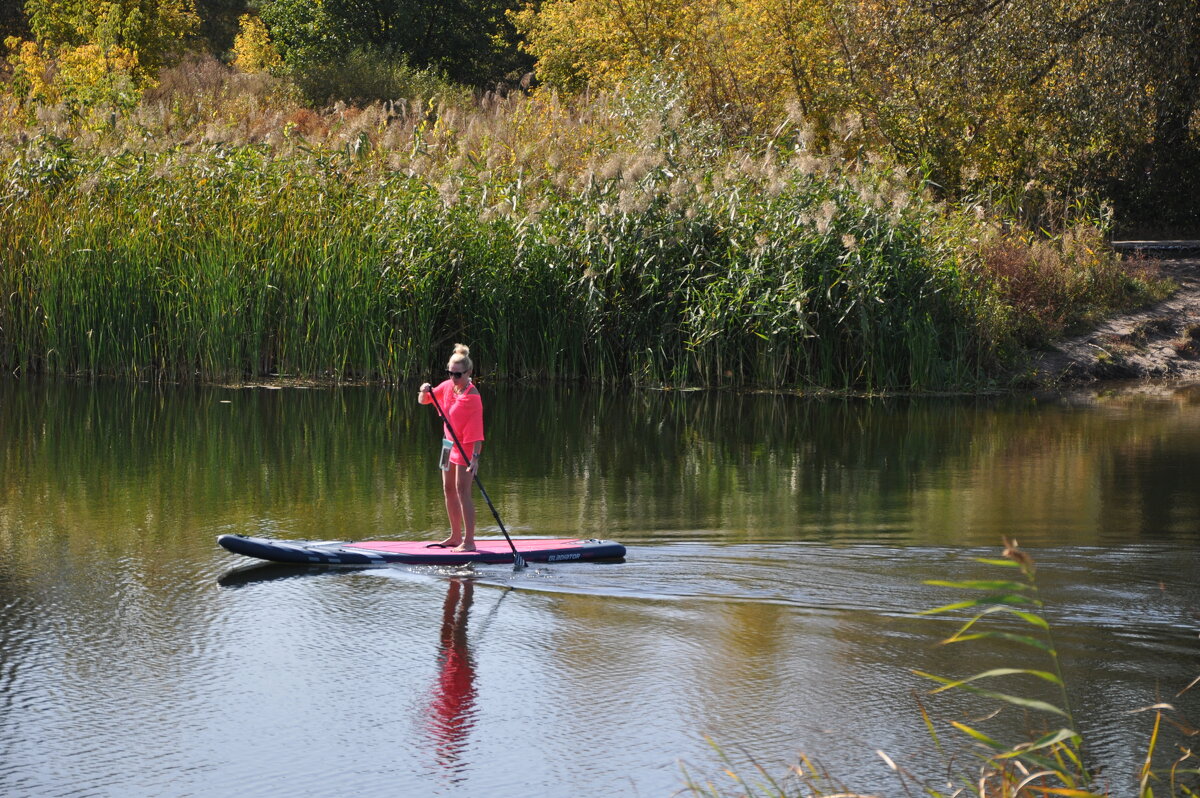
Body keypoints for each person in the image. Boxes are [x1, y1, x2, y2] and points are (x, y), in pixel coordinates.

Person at [418, 344, 483, 552]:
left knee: (463, 491)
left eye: (457, 374)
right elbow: (424, 400)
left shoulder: (472, 397)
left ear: (469, 372)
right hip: (447, 445)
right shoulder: (448, 386)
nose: (453, 378)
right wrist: (424, 390)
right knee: (448, 489)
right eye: (450, 373)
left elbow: (478, 433)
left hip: (465, 448)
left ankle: (469, 542)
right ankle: (455, 536)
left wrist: (475, 458)